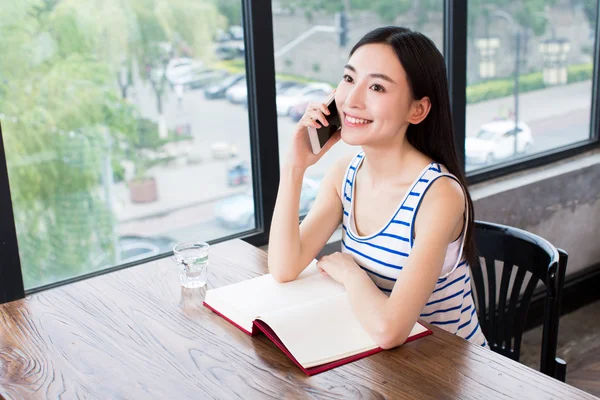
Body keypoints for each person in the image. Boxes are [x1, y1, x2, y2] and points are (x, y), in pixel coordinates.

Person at [267, 26, 488, 349]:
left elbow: (389, 331)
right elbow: (284, 267)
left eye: (377, 87)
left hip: (448, 369)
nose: (352, 100)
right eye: (348, 79)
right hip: (382, 363)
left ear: (418, 110)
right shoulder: (345, 174)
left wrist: (350, 273)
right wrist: (294, 167)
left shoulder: (439, 195)